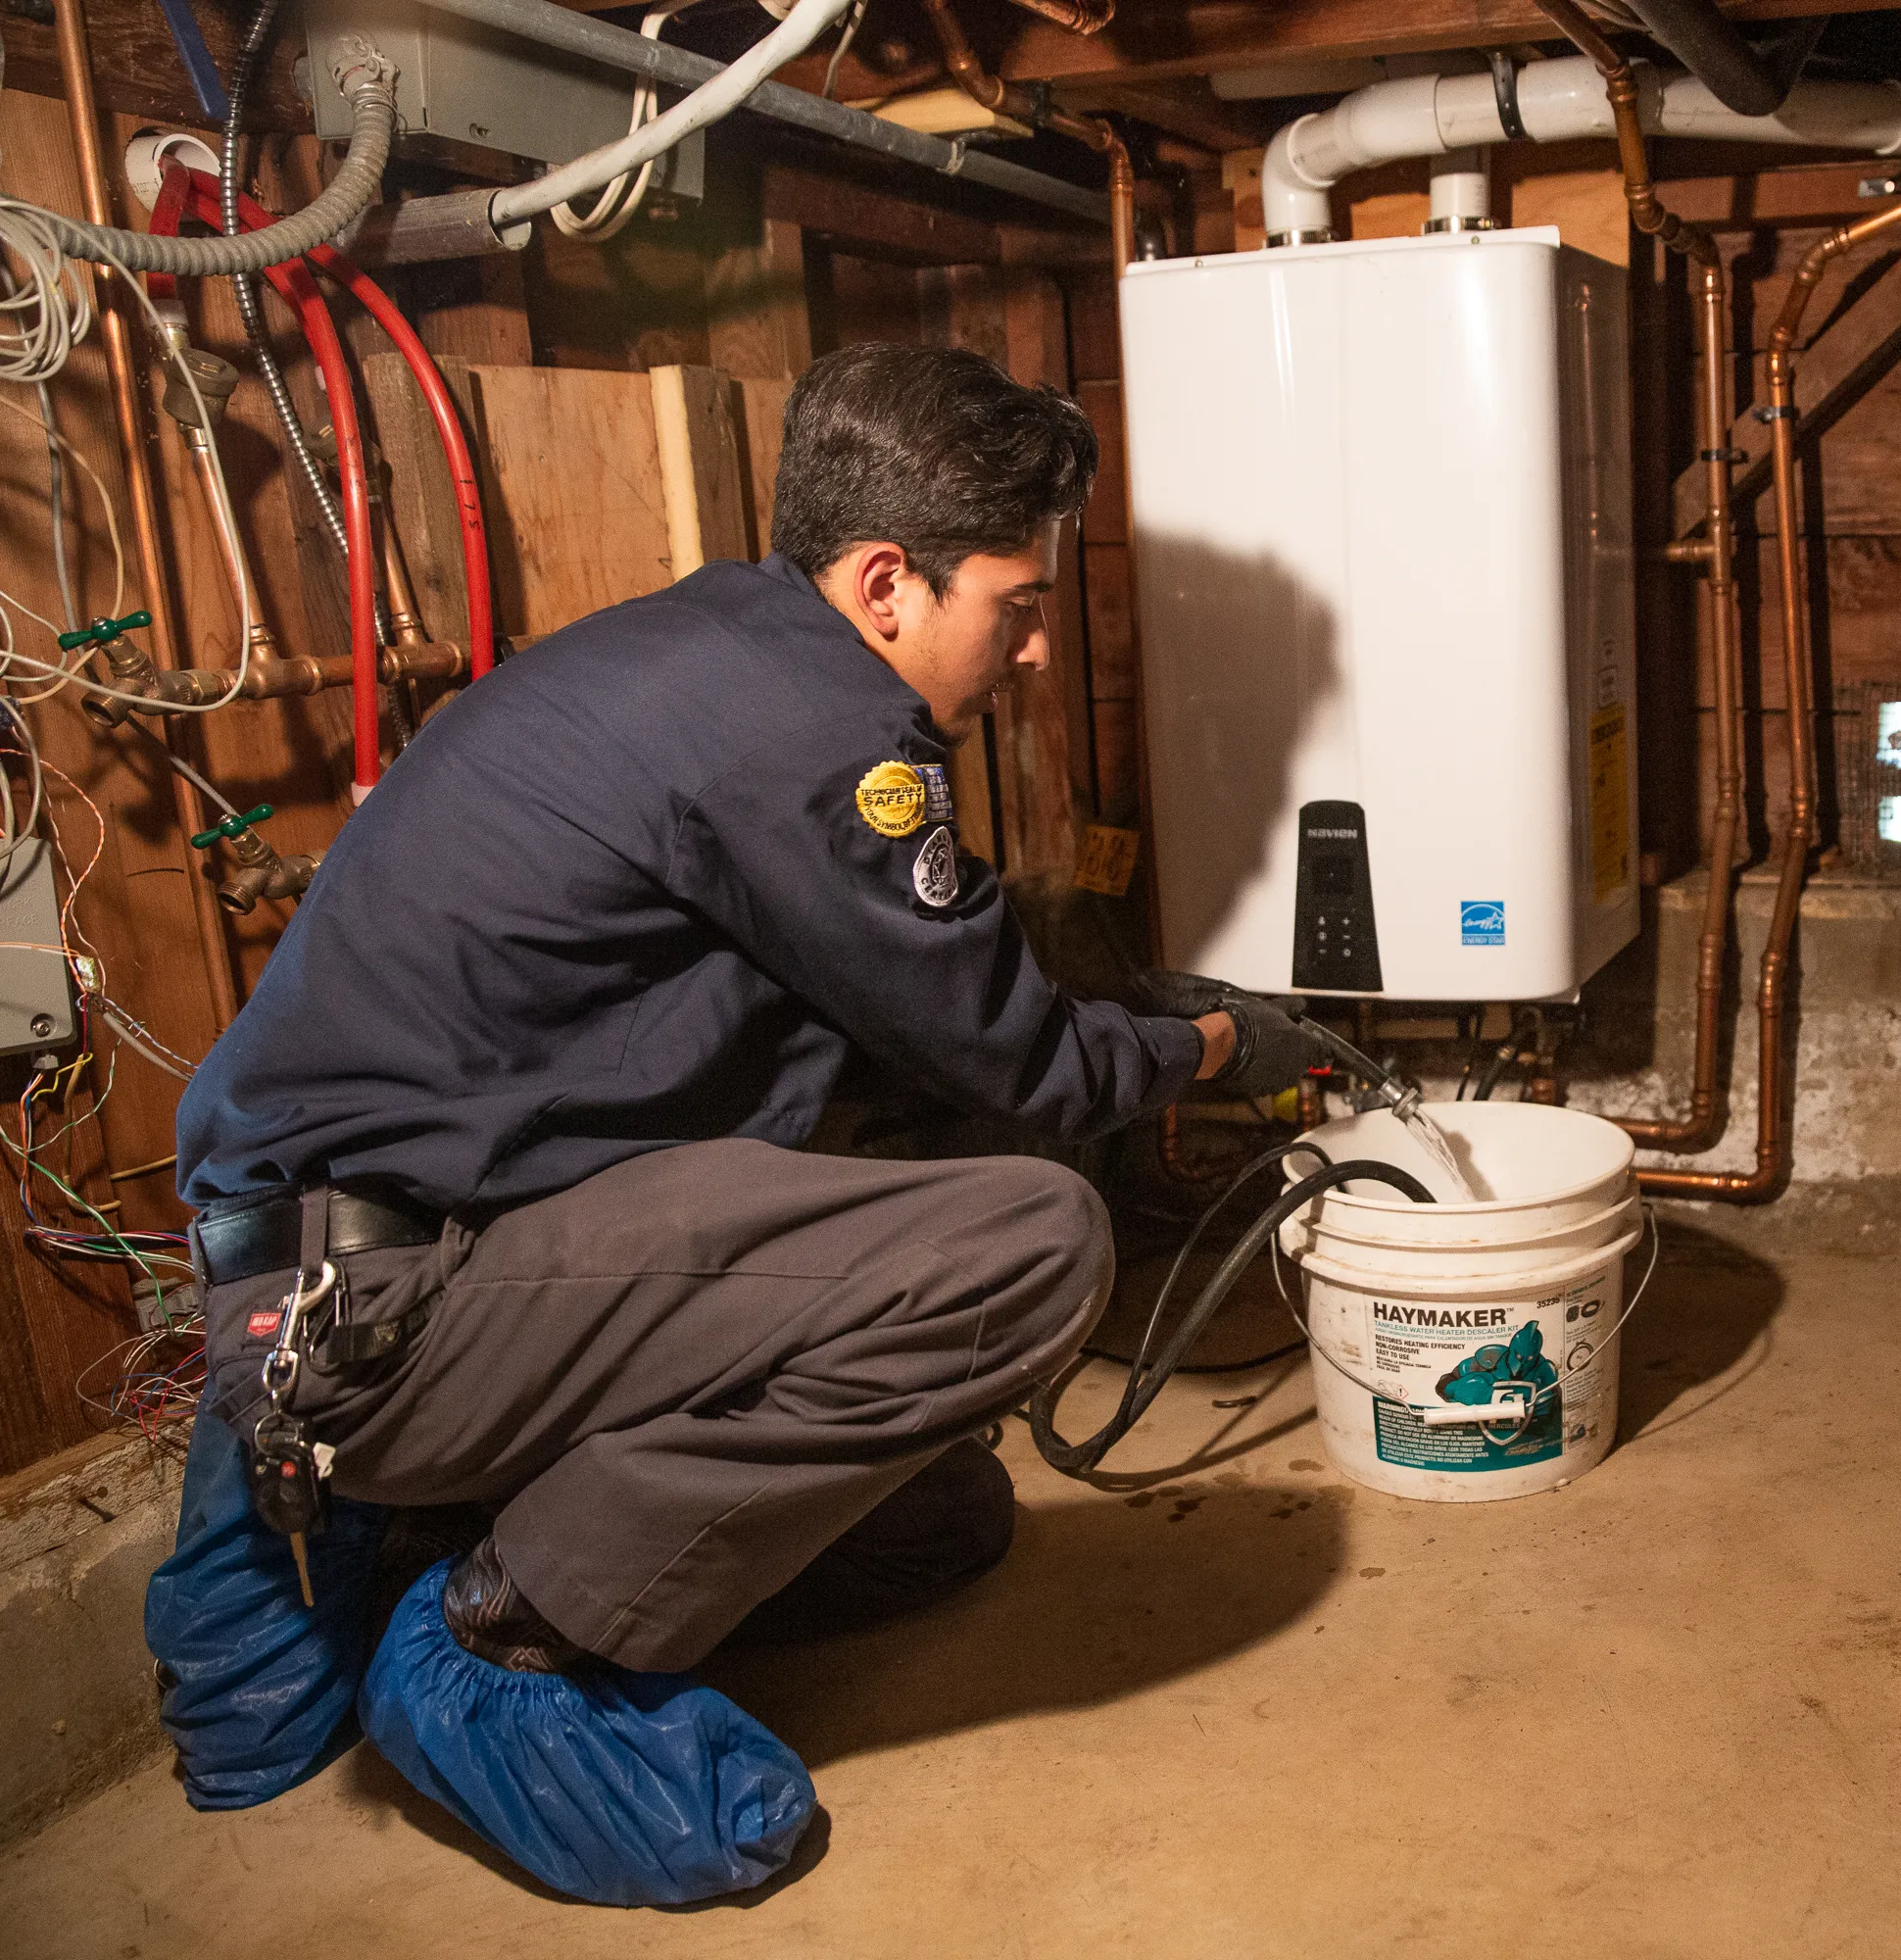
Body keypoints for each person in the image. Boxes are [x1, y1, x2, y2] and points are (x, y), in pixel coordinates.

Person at [153, 344, 1323, 1886]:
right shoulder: (824, 742)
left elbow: (893, 1029)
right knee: (1033, 1243)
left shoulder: (725, 653)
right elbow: (1023, 1071)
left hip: (333, 1255)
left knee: (942, 1519)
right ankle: (494, 1634)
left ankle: (442, 1540)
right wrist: (1220, 1044)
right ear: (889, 580)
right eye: (1017, 607)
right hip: (385, 1318)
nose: (1035, 652)